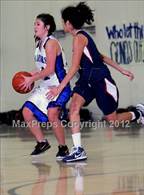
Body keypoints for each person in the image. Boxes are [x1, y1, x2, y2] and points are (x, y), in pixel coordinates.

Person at [47, 2, 144, 162]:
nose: (63, 24)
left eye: (64, 21)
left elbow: (75, 67)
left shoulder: (79, 38)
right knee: (74, 109)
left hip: (100, 81)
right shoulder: (81, 37)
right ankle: (78, 149)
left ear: (68, 23)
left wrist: (59, 87)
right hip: (86, 81)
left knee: (113, 121)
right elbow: (101, 57)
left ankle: (138, 113)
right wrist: (121, 69)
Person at [20, 13, 71, 160]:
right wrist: (28, 75)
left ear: (47, 27)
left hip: (59, 85)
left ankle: (63, 148)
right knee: (27, 112)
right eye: (34, 24)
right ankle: (42, 142)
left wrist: (32, 79)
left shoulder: (51, 43)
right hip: (46, 85)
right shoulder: (39, 43)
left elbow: (49, 69)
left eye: (38, 24)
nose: (34, 26)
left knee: (52, 114)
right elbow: (40, 67)